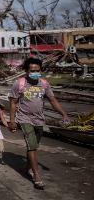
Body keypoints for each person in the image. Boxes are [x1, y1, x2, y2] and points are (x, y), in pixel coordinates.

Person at [8, 57, 69, 190]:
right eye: (32, 70)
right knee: (32, 146)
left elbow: (53, 100)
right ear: (26, 70)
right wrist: (12, 121)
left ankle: (28, 167)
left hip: (39, 119)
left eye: (37, 70)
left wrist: (64, 114)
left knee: (34, 145)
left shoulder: (44, 84)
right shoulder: (19, 84)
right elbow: (13, 102)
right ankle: (36, 175)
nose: (35, 72)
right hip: (24, 118)